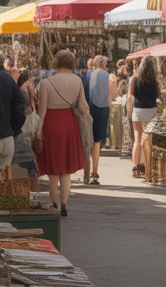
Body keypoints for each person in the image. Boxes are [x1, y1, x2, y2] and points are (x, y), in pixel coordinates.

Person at [34, 50, 88, 217]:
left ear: (56, 62)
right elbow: (84, 106)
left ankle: (54, 203)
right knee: (66, 169)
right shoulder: (78, 80)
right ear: (72, 63)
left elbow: (41, 112)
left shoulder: (46, 83)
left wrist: (37, 131)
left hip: (50, 124)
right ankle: (64, 204)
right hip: (69, 123)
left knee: (53, 169)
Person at [127, 56, 159, 179]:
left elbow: (130, 97)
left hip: (138, 110)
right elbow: (156, 95)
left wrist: (129, 112)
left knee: (137, 138)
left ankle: (136, 166)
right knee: (147, 139)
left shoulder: (134, 78)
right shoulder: (154, 80)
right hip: (150, 110)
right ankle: (146, 166)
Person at [13, 70, 40, 192]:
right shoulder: (29, 85)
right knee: (31, 155)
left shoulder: (19, 89)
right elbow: (34, 99)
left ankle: (31, 182)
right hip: (30, 123)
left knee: (27, 156)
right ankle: (34, 181)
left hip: (23, 127)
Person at [85, 55, 111, 185]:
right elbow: (111, 96)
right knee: (96, 141)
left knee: (88, 140)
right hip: (102, 109)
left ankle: (86, 171)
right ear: (104, 64)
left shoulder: (87, 75)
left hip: (89, 109)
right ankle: (94, 173)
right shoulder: (108, 76)